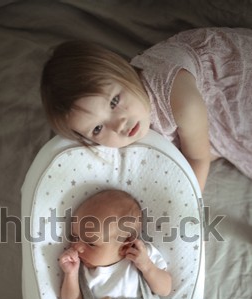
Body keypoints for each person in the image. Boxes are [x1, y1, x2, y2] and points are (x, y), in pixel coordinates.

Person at [40, 28, 252, 192]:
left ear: (124, 71)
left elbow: (198, 158)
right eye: (97, 128)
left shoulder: (179, 99)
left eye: (114, 102)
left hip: (235, 88)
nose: (118, 125)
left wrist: (189, 214)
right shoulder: (131, 111)